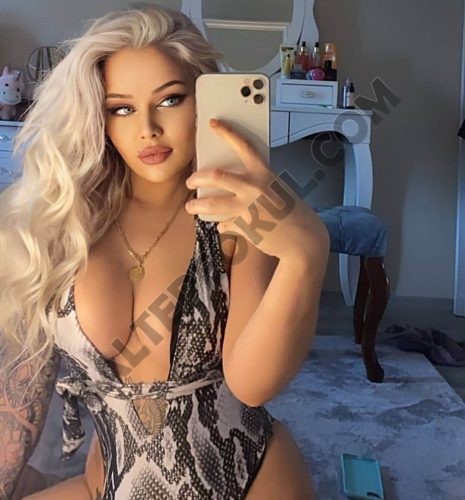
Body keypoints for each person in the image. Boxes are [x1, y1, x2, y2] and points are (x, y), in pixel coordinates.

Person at [0, 7, 330, 499]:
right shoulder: (61, 222)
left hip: (245, 481)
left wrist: (307, 252)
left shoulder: (234, 215)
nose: (148, 129)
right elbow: (18, 393)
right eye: (122, 108)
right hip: (107, 484)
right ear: (97, 115)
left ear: (201, 99)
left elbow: (252, 384)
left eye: (170, 99)